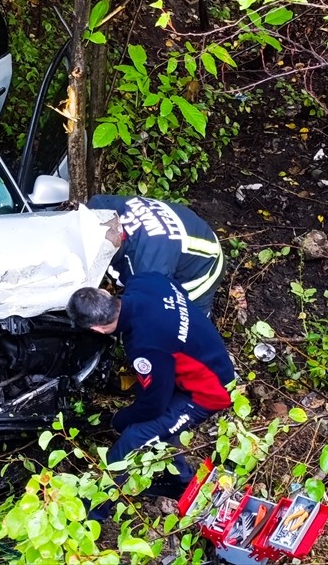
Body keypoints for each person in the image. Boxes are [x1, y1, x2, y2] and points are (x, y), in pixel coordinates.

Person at [67, 273, 235, 518]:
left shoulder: (145, 345)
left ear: (97, 329)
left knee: (134, 437)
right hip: (204, 358)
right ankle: (180, 481)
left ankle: (89, 514)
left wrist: (119, 420)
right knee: (162, 428)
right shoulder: (145, 281)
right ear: (105, 293)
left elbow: (154, 405)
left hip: (208, 391)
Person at [86, 194, 223, 316]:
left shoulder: (146, 268)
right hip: (185, 230)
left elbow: (151, 306)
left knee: (182, 320)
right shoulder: (99, 206)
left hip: (203, 266)